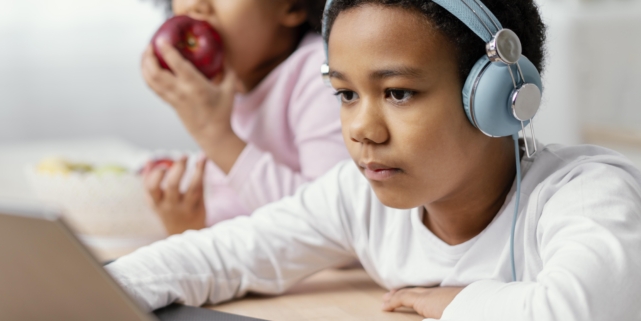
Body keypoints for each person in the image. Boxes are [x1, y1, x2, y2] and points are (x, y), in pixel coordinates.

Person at [109, 0, 641, 319]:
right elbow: (223, 256)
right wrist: (102, 286)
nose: (362, 129)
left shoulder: (586, 191)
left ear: (498, 95)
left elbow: (583, 312)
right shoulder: (356, 197)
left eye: (399, 93)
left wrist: (455, 302)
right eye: (345, 95)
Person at [142, 0, 350, 235]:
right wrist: (190, 225)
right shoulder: (230, 85)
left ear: (293, 6)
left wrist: (216, 136)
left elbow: (331, 225)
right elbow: (239, 215)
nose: (194, 5)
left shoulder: (323, 75)